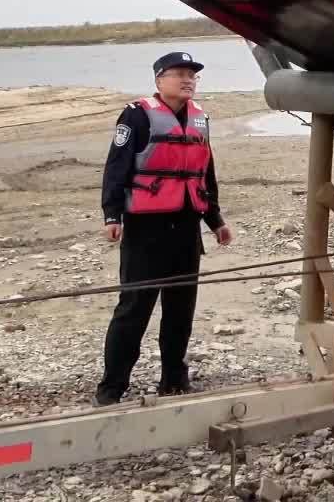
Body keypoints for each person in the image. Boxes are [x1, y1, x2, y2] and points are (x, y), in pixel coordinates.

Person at [94, 50, 233, 405]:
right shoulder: (136, 116)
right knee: (134, 309)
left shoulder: (200, 120)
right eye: (179, 74)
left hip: (186, 228)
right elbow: (116, 167)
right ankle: (111, 389)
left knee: (180, 309)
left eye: (192, 75)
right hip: (146, 228)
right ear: (159, 80)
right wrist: (112, 215)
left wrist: (215, 220)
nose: (188, 80)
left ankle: (173, 379)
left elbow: (205, 175)